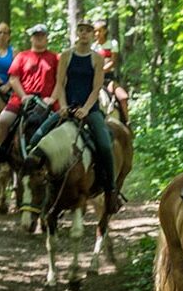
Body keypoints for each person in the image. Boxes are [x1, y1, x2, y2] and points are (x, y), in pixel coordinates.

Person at [26, 19, 122, 214]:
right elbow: (60, 84)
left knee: (104, 144)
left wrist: (87, 109)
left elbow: (96, 87)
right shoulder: (66, 56)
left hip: (90, 110)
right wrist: (61, 106)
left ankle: (111, 189)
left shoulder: (97, 58)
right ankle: (37, 186)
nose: (84, 34)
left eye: (88, 30)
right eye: (81, 30)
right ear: (77, 33)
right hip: (67, 108)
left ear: (92, 33)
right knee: (37, 139)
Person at [0, 23, 59, 166]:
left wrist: (53, 98)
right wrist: (23, 95)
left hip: (47, 101)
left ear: (46, 38)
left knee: (62, 125)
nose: (39, 38)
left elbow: (61, 81)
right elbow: (13, 78)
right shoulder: (22, 56)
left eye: (42, 35)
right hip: (21, 99)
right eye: (36, 35)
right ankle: (1, 153)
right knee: (3, 121)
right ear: (31, 38)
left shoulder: (55, 58)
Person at [92, 19, 129, 126]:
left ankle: (127, 122)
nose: (97, 34)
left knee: (123, 97)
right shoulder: (92, 47)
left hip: (108, 79)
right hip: (94, 80)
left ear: (105, 31)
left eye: (99, 31)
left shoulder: (112, 44)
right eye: (95, 31)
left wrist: (101, 71)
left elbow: (113, 62)